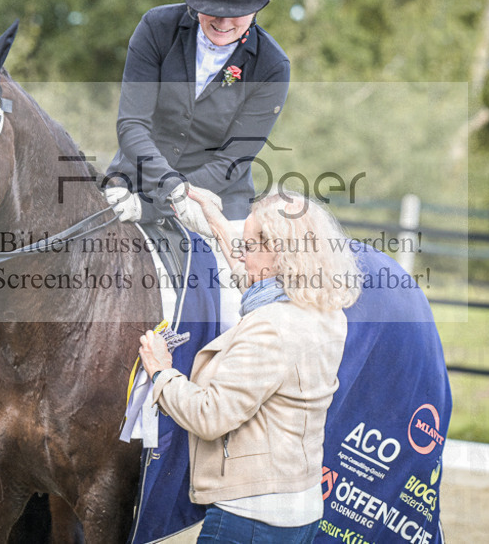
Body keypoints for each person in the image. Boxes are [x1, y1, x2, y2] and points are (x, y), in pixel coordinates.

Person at [138, 188, 362, 542]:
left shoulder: (270, 325)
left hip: (249, 519)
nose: (242, 255)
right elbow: (255, 280)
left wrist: (161, 372)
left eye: (251, 245)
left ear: (280, 252)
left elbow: (210, 416)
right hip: (297, 511)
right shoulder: (324, 312)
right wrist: (217, 226)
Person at [105, 0, 290, 237]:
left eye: (237, 14)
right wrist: (166, 185)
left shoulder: (271, 66)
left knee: (231, 284)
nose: (221, 23)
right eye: (211, 11)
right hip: (132, 185)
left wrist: (155, 206)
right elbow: (132, 125)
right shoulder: (157, 28)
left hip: (215, 203)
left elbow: (231, 162)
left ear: (259, 6)